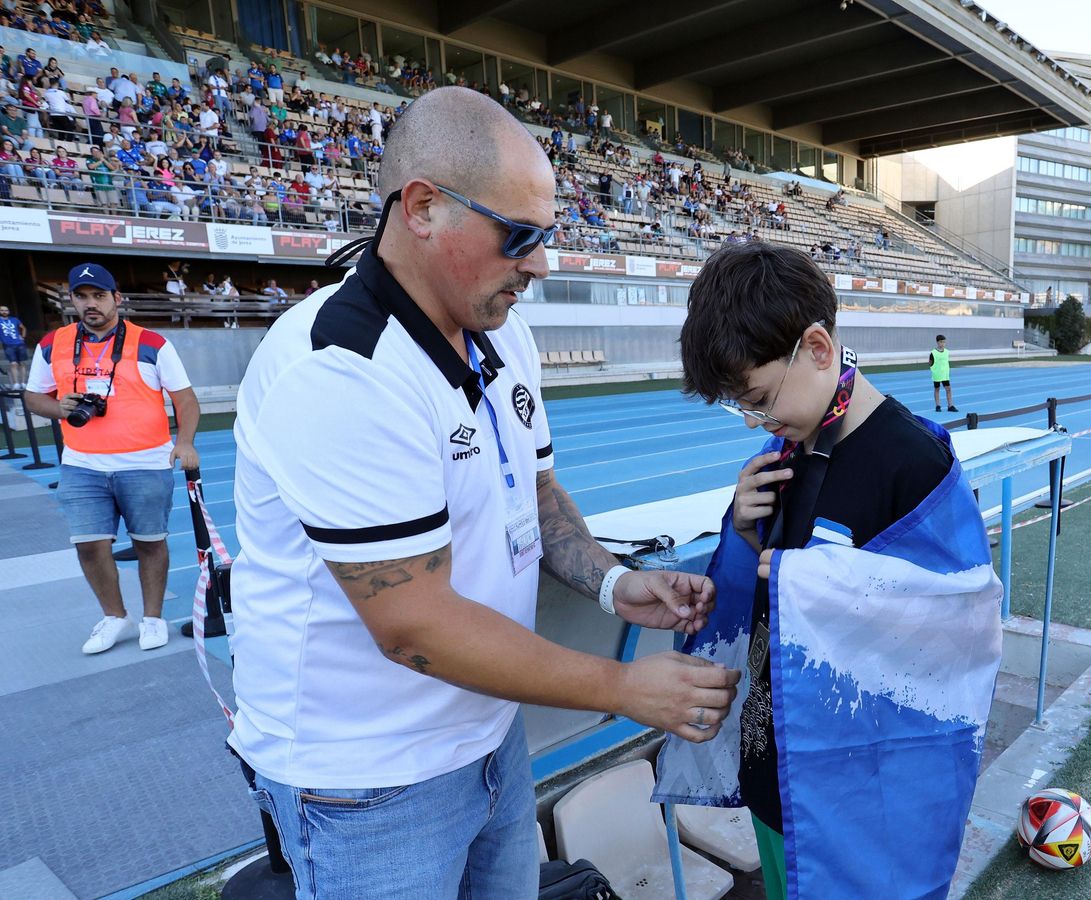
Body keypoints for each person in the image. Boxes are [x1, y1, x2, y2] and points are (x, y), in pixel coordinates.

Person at [226, 86, 738, 897]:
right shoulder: (341, 371)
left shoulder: (503, 330)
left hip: (488, 737)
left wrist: (614, 583)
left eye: (548, 236)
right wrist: (625, 688)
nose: (539, 262)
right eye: (520, 235)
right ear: (424, 208)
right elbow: (413, 626)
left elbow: (534, 498)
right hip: (367, 783)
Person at [657, 241, 1002, 899]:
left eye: (758, 397)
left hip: (862, 797)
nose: (758, 420)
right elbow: (762, 589)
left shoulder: (915, 467)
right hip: (777, 772)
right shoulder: (784, 449)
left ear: (818, 349)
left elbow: (958, 635)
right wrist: (743, 528)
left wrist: (808, 584)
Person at [22, 263, 199, 653]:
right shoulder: (52, 344)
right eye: (82, 296)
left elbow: (185, 399)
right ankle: (116, 616)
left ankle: (153, 617)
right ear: (71, 300)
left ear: (116, 298)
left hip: (145, 463)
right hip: (82, 464)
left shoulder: (152, 343)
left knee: (150, 542)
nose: (91, 304)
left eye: (99, 296)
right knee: (89, 545)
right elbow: (34, 396)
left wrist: (184, 442)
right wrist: (59, 409)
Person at [929, 333, 957, 412]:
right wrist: (935, 369)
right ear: (937, 342)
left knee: (948, 389)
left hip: (945, 375)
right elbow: (930, 363)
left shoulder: (947, 352)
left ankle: (950, 406)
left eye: (944, 342)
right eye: (941, 342)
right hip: (937, 374)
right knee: (937, 389)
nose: (943, 344)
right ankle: (938, 406)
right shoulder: (933, 353)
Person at [0, 302, 25, 387]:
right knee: (13, 364)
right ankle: (16, 383)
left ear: (8, 311)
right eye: (2, 310)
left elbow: (23, 327)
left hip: (19, 343)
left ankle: (23, 382)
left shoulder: (14, 319)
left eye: (6, 310)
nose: (4, 312)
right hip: (8, 345)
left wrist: (23, 336)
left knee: (22, 363)